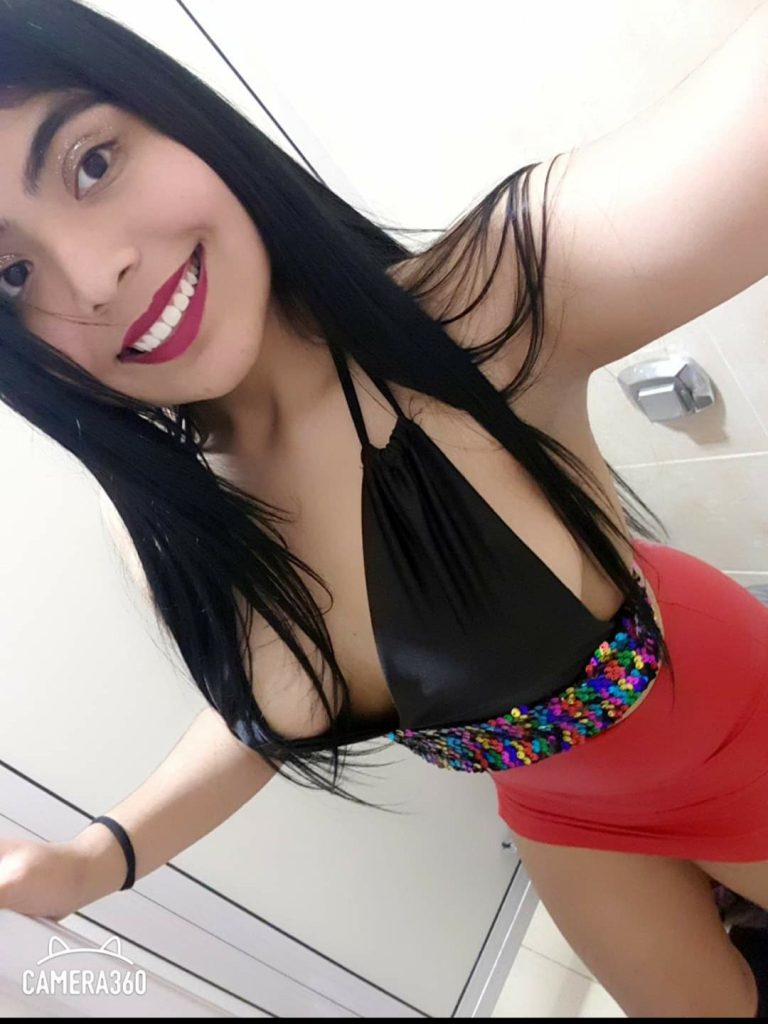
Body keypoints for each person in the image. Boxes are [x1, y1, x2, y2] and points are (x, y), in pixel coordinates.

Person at [0, 0, 767, 1016]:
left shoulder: (493, 309)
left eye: (91, 162)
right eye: (11, 272)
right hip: (558, 810)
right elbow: (274, 698)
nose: (94, 278)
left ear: (172, 113)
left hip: (725, 723)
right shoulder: (163, 526)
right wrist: (99, 858)